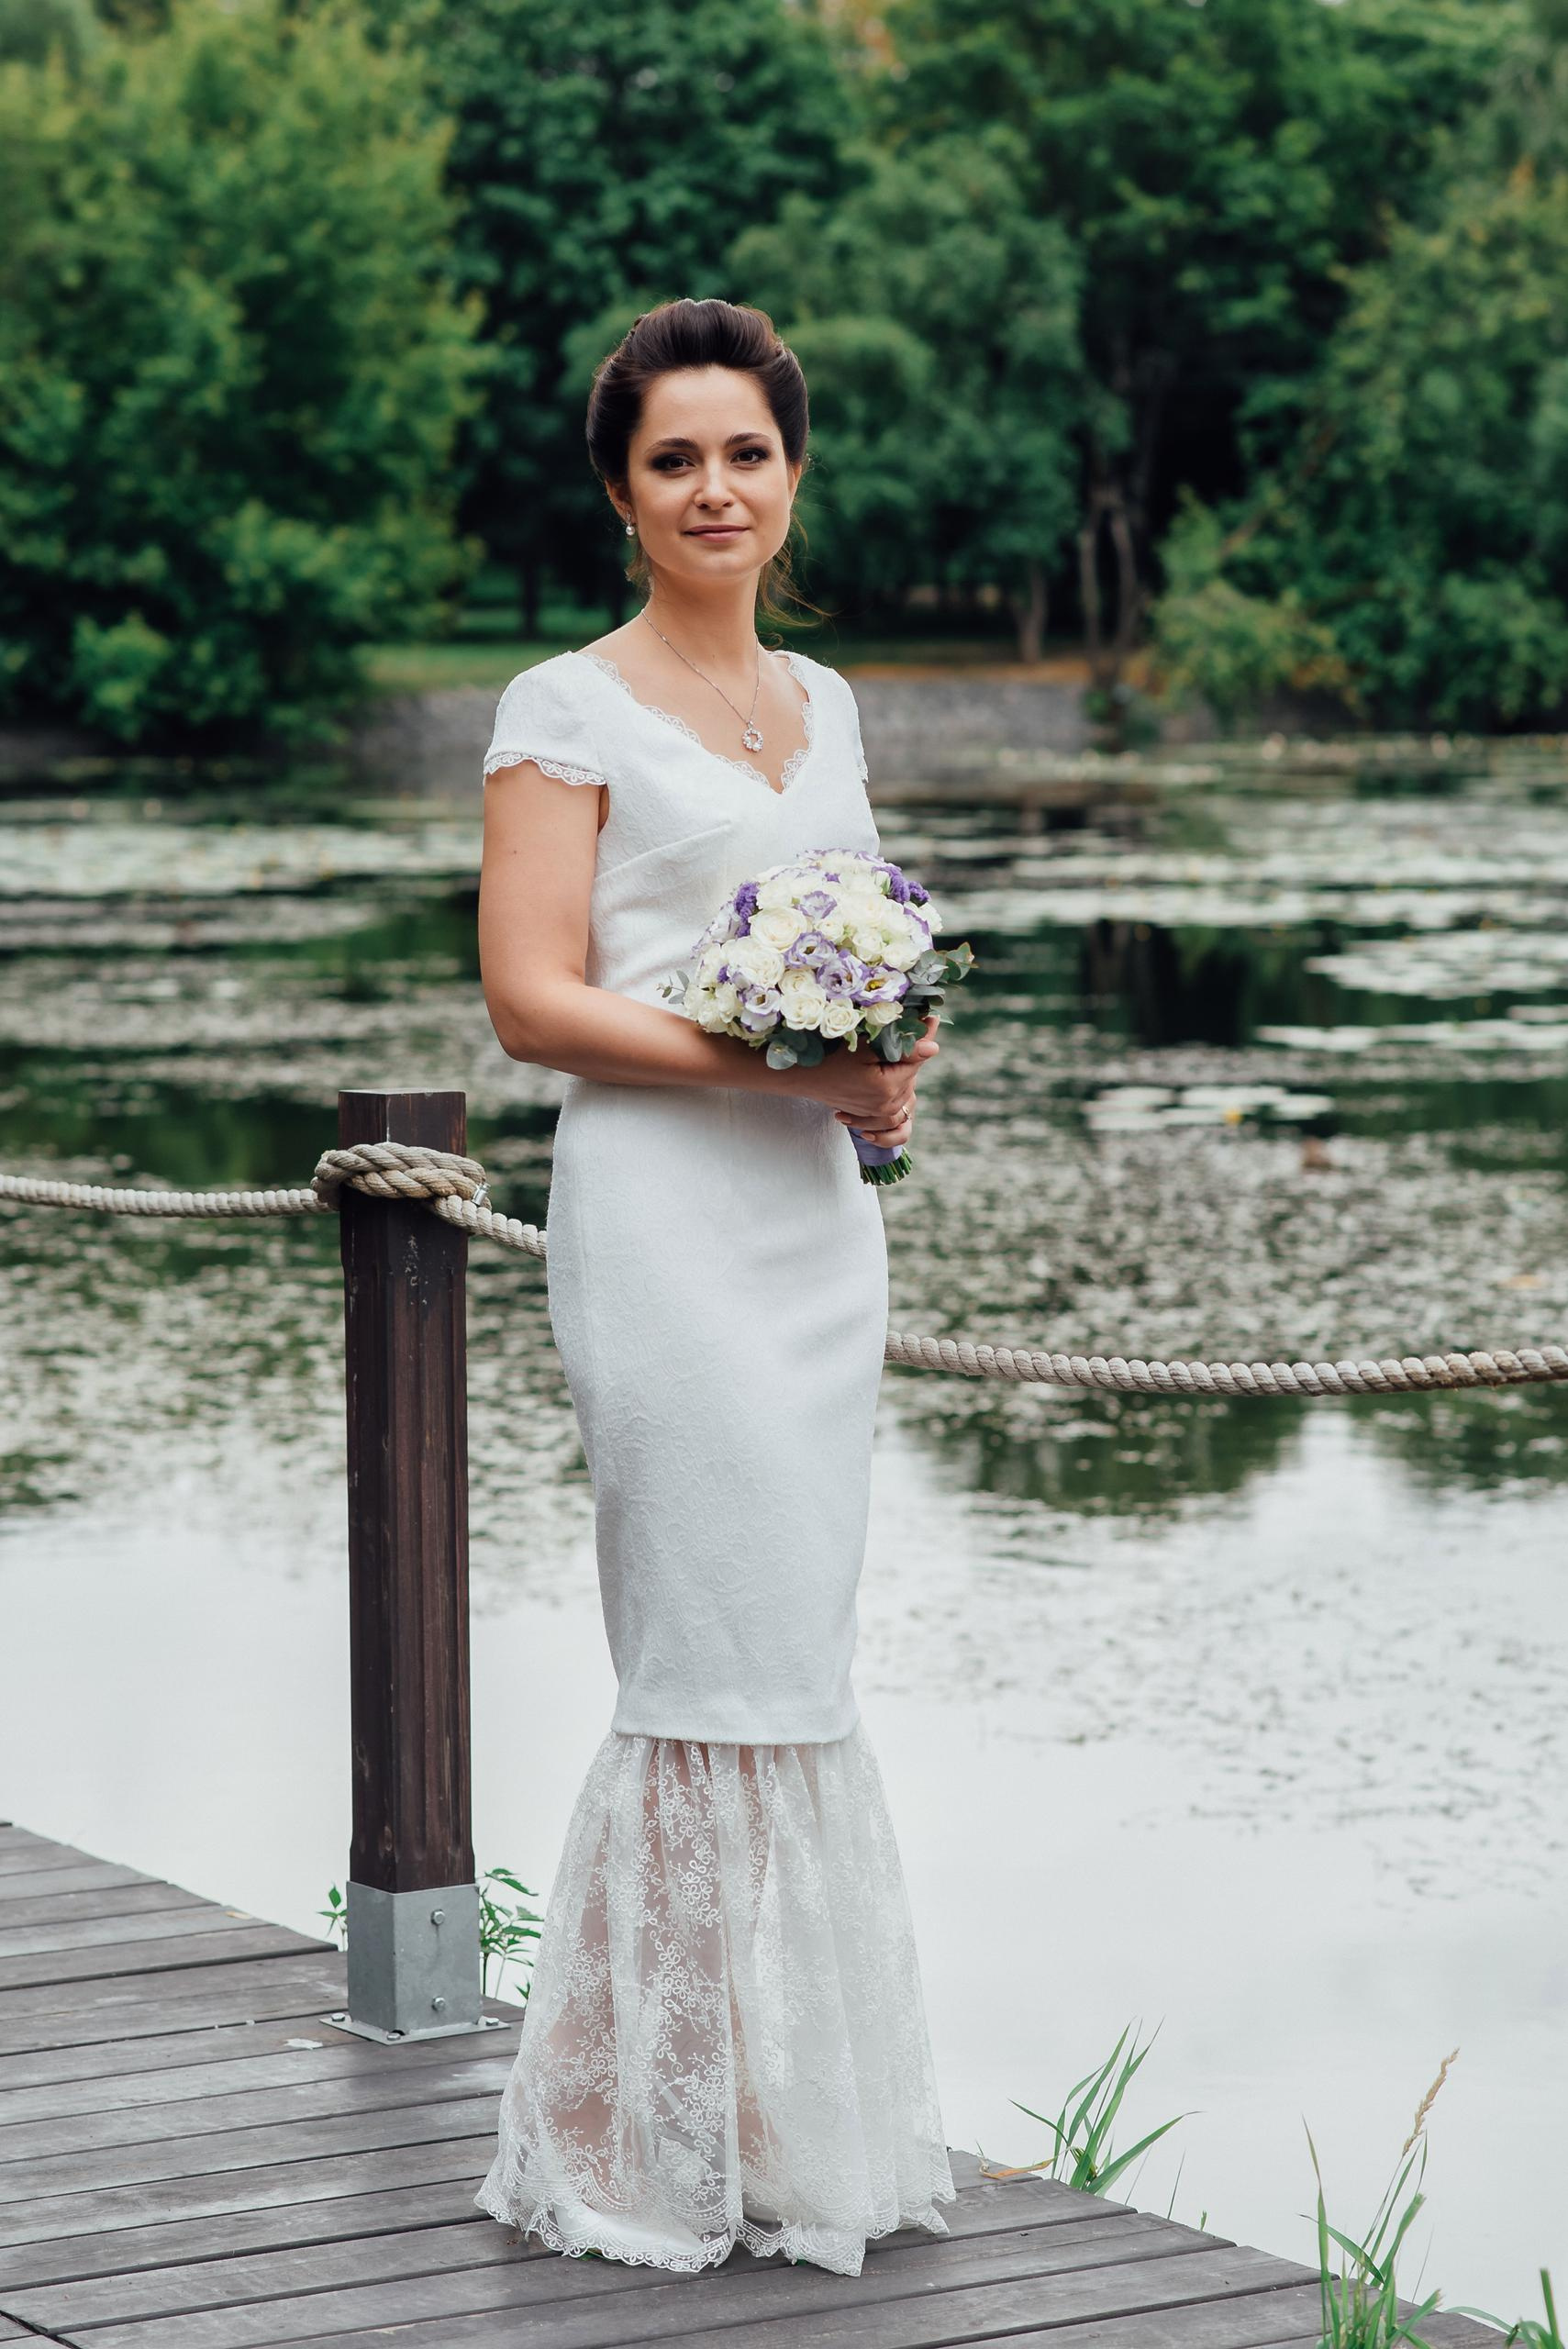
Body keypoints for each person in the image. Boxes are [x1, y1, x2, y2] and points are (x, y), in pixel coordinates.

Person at [472, 295, 955, 2277]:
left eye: (744, 452)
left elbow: (852, 963)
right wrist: (773, 1061)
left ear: (793, 472)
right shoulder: (560, 708)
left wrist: (878, 1080)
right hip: (664, 1234)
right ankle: (605, 2122)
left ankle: (753, 2104)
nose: (714, 487)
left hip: (813, 1238)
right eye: (673, 458)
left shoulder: (828, 706)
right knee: (699, 1661)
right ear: (619, 490)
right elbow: (532, 998)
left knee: (797, 1667)